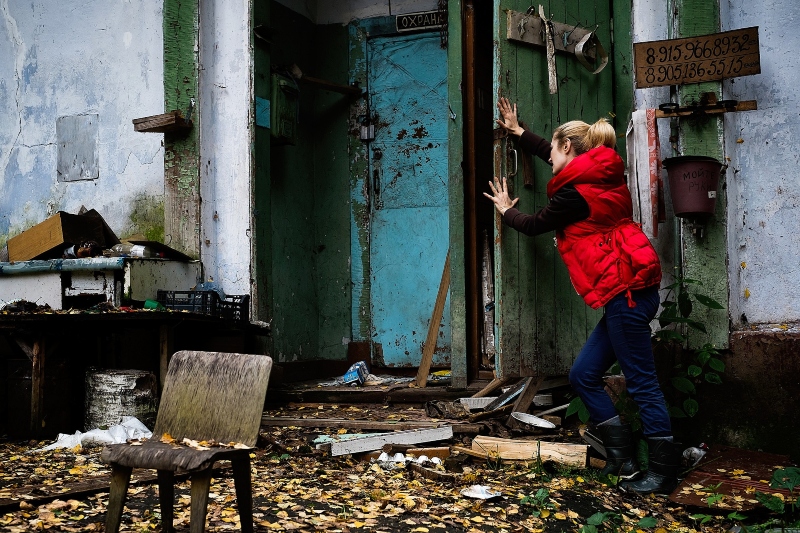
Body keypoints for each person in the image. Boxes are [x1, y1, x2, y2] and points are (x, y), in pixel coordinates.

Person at [484, 97, 678, 494]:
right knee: (583, 375)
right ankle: (622, 458)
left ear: (569, 148)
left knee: (642, 383)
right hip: (630, 291)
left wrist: (505, 210)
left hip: (625, 292)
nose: (549, 158)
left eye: (554, 151)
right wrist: (520, 133)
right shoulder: (601, 175)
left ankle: (662, 471)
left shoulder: (576, 196)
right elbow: (556, 158)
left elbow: (536, 223)